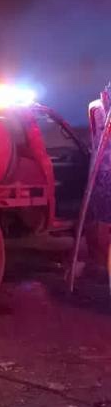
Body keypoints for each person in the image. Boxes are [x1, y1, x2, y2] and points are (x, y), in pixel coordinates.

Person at [86, 85, 111, 288]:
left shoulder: (95, 108)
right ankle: (100, 265)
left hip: (99, 171)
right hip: (104, 174)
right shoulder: (98, 109)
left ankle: (98, 264)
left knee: (99, 218)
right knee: (102, 219)